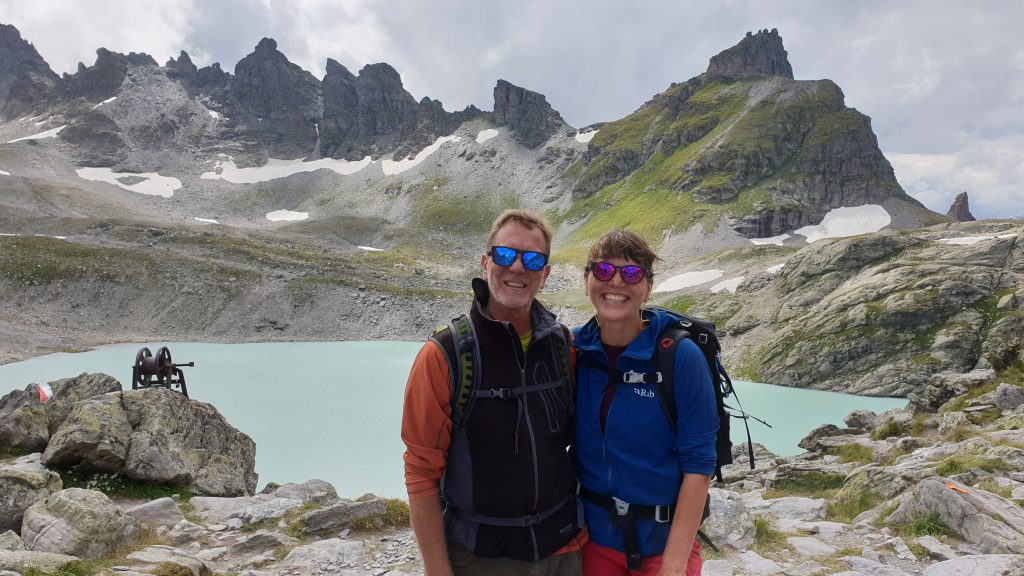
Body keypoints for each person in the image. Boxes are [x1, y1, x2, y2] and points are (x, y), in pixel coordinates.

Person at [402, 209, 585, 576]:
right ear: (486, 263)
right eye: (505, 255)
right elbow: (421, 472)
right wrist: (437, 570)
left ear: (545, 275)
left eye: (533, 259)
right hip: (483, 558)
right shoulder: (445, 354)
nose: (517, 268)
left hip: (563, 551)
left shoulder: (563, 346)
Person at [572, 230, 718, 576]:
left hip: (663, 547)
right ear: (587, 279)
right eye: (604, 271)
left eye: (632, 273)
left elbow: (700, 465)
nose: (617, 282)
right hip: (593, 543)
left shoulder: (679, 357)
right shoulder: (573, 349)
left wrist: (673, 565)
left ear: (648, 286)